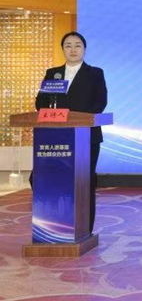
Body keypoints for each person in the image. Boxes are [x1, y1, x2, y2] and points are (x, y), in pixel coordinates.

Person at [33, 31, 108, 233]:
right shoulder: (53, 73)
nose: (73, 49)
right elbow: (40, 103)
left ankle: (84, 229)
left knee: (84, 182)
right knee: (43, 178)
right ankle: (54, 226)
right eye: (68, 45)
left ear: (84, 49)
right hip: (55, 137)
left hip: (86, 136)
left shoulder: (95, 73)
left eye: (77, 45)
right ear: (62, 49)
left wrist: (73, 117)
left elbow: (100, 103)